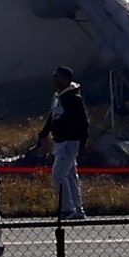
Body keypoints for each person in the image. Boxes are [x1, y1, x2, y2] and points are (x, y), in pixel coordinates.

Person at [39, 67, 89, 221]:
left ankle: (68, 208)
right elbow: (53, 116)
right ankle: (78, 209)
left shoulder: (73, 99)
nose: (54, 79)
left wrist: (83, 143)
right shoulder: (58, 97)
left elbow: (83, 122)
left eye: (57, 77)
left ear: (66, 79)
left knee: (59, 175)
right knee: (71, 175)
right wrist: (43, 133)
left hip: (70, 141)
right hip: (60, 141)